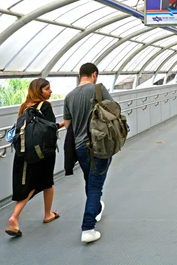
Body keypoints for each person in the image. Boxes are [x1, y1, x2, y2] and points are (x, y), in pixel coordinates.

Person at [5, 78, 63, 237]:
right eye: (47, 89)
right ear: (39, 91)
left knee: (30, 183)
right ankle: (18, 217)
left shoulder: (24, 107)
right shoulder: (45, 106)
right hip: (43, 152)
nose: (50, 91)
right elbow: (49, 129)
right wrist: (63, 124)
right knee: (44, 182)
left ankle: (44, 214)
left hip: (24, 152)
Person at [63, 63, 113, 243]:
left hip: (79, 147)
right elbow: (113, 111)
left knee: (89, 181)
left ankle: (96, 209)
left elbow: (68, 124)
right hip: (99, 146)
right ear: (94, 74)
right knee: (95, 186)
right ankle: (88, 228)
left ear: (79, 75)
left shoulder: (69, 96)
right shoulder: (98, 90)